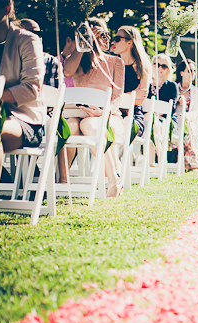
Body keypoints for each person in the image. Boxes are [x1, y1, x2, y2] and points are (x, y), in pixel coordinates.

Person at [0, 0, 46, 206]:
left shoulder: (27, 40)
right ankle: (2, 179)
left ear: (7, 9)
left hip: (25, 120)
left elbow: (32, 88)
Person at [62, 17, 125, 197]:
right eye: (99, 35)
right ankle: (62, 182)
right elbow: (67, 72)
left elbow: (117, 97)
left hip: (108, 114)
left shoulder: (115, 62)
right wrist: (85, 42)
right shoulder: (78, 59)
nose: (104, 38)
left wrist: (103, 112)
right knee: (70, 127)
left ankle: (113, 180)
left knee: (89, 125)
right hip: (79, 112)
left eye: (105, 34)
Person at [110, 25, 151, 167]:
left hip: (132, 116)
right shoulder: (111, 63)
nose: (112, 42)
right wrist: (130, 95)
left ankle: (116, 167)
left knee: (125, 124)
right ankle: (114, 166)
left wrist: (118, 97)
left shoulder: (142, 66)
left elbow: (140, 99)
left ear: (130, 42)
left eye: (117, 39)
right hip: (113, 113)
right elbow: (107, 96)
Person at [149, 54, 198, 170]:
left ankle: (156, 159)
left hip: (166, 119)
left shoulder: (171, 86)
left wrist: (158, 113)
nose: (159, 68)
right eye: (156, 65)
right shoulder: (146, 84)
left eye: (164, 66)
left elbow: (170, 108)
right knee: (151, 122)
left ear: (168, 69)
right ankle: (154, 159)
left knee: (155, 123)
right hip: (149, 118)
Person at [16, 19, 60, 88]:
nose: (36, 38)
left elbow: (53, 94)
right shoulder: (8, 61)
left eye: (39, 34)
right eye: (29, 34)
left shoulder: (51, 62)